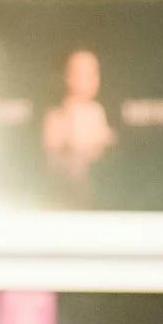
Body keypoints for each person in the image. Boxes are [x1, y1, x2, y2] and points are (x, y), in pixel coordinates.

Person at [39, 49, 114, 209]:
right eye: (83, 74)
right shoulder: (57, 115)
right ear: (68, 77)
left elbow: (104, 145)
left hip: (96, 188)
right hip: (67, 189)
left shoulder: (96, 111)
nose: (91, 80)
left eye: (94, 74)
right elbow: (52, 155)